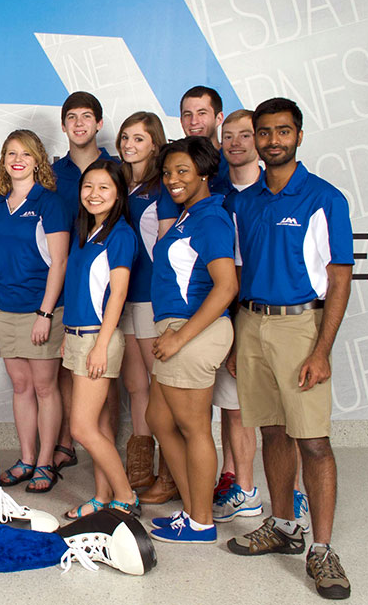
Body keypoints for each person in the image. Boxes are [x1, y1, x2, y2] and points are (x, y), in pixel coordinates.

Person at [225, 98, 353, 600]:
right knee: (274, 433)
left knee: (313, 440)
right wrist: (236, 336)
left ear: (299, 135)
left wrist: (321, 351)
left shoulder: (324, 198)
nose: (273, 140)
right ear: (255, 138)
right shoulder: (244, 201)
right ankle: (282, 526)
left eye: (283, 131)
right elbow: (235, 276)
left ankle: (321, 551)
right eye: (265, 132)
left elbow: (339, 280)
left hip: (302, 327)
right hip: (252, 324)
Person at [144, 137, 237, 544]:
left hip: (193, 329)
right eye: (167, 173)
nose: (172, 179)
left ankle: (201, 522)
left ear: (204, 173)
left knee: (194, 427)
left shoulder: (210, 218)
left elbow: (226, 286)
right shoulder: (187, 216)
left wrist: (180, 338)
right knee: (160, 420)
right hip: (176, 329)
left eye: (182, 171)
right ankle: (193, 506)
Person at [0, 130, 67, 494]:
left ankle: (46, 462)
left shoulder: (50, 202)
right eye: (10, 153)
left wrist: (46, 313)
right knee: (20, 387)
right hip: (5, 307)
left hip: (41, 308)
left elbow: (59, 262)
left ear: (39, 160)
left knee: (44, 387)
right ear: (3, 161)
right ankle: (26, 457)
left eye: (25, 153)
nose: (17, 159)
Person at [61, 160, 138, 520]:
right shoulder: (88, 231)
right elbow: (80, 290)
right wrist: (68, 335)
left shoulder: (120, 234)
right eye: (88, 186)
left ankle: (124, 497)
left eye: (104, 187)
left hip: (98, 340)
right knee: (101, 425)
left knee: (81, 427)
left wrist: (100, 346)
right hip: (78, 337)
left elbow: (118, 294)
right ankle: (101, 496)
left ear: (119, 193)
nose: (94, 194)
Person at [50, 91, 116, 474]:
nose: (78, 123)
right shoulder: (54, 173)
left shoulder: (115, 168)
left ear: (99, 124)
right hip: (65, 283)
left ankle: (104, 455)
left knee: (105, 366)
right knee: (66, 366)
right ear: (63, 125)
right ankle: (65, 441)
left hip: (107, 284)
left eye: (86, 116)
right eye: (71, 117)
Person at [114, 112, 179, 497]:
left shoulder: (163, 188)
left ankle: (171, 472)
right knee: (136, 384)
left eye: (139, 138)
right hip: (120, 298)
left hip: (150, 299)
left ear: (155, 143)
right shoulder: (120, 183)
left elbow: (168, 249)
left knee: (161, 385)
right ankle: (141, 464)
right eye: (125, 137)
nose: (129, 144)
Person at [210, 109, 264, 520]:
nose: (235, 142)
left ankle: (284, 489)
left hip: (264, 308)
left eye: (244, 135)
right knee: (232, 403)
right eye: (228, 136)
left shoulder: (275, 189)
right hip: (226, 308)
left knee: (271, 408)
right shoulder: (216, 191)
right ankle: (238, 482)